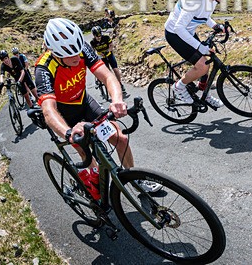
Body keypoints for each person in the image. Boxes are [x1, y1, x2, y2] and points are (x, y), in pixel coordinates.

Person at [35, 18, 159, 197]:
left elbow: (108, 77)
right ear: (55, 53)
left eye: (78, 53)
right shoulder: (44, 69)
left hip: (84, 103)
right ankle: (95, 195)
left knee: (120, 138)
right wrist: (69, 133)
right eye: (71, 56)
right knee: (89, 159)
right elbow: (48, 110)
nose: (78, 59)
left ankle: (134, 178)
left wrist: (117, 100)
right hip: (65, 116)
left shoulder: (82, 49)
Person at [164, 0, 232, 106]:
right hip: (175, 34)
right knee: (202, 66)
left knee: (207, 60)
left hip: (187, 32)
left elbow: (204, 16)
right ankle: (179, 87)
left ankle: (203, 94)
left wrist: (215, 26)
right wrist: (200, 47)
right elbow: (178, 28)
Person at [90, 25, 129, 99]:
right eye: (97, 36)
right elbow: (92, 51)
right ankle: (100, 80)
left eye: (100, 35)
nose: (99, 37)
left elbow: (111, 45)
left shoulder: (106, 38)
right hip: (102, 57)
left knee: (115, 70)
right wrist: (98, 54)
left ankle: (120, 84)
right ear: (94, 36)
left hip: (109, 55)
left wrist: (108, 50)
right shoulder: (92, 42)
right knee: (106, 71)